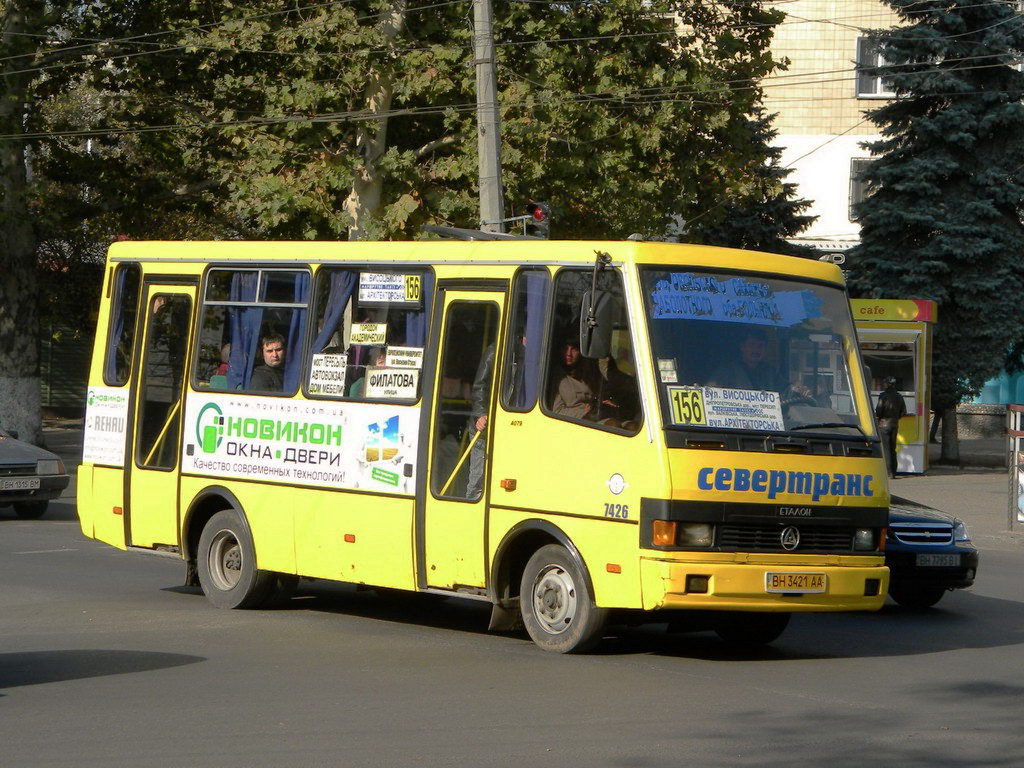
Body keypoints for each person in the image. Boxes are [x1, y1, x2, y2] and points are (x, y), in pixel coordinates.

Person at [466, 342, 496, 499]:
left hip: (507, 424)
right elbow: (480, 386)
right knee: (478, 479)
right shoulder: (495, 351)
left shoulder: (533, 358)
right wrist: (480, 414)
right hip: (484, 425)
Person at [551, 339, 596, 419]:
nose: (569, 354)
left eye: (574, 349)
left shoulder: (587, 373)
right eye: (565, 349)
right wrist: (583, 412)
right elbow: (556, 412)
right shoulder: (558, 377)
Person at [875, 376, 907, 478]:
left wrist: (879, 417)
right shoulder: (899, 396)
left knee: (886, 449)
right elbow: (904, 412)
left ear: (887, 384)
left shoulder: (883, 396)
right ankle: (894, 470)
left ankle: (888, 472)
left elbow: (879, 411)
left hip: (883, 425)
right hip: (894, 424)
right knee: (893, 448)